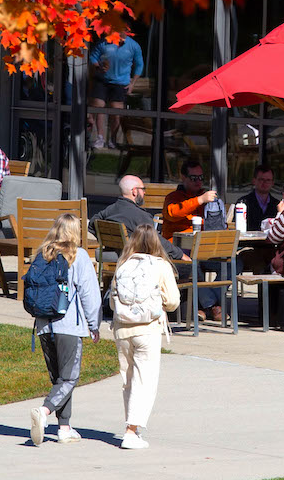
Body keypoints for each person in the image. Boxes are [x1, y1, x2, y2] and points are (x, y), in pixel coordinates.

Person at [28, 213, 102, 448]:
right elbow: (90, 294)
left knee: (59, 379)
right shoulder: (78, 256)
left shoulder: (42, 255)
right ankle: (44, 411)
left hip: (43, 326)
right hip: (68, 326)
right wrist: (94, 324)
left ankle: (64, 428)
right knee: (69, 378)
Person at [108, 225, 179, 450]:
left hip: (122, 329)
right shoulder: (161, 266)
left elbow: (112, 301)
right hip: (148, 329)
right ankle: (131, 431)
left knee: (128, 379)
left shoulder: (123, 265)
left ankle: (132, 427)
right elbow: (174, 301)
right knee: (144, 379)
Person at [162, 159, 231, 320]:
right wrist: (200, 200)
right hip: (179, 252)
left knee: (232, 264)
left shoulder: (206, 197)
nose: (198, 182)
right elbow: (172, 213)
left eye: (201, 178)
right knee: (194, 265)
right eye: (193, 178)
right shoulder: (173, 198)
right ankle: (213, 306)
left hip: (205, 249)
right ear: (183, 178)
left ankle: (206, 303)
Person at [90, 32, 145, 150]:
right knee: (99, 107)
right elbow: (93, 56)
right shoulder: (105, 42)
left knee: (116, 112)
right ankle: (100, 138)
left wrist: (132, 83)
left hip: (120, 83)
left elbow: (140, 65)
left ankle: (113, 139)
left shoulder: (133, 46)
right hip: (103, 80)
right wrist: (98, 66)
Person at [91, 175, 158, 233]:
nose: (144, 192)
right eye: (142, 189)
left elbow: (92, 223)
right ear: (134, 191)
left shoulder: (109, 210)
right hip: (134, 247)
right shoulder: (142, 217)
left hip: (113, 247)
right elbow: (155, 242)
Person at [237, 165, 280, 230]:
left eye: (268, 180)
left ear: (272, 183)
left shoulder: (277, 205)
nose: (264, 183)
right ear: (254, 181)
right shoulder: (243, 202)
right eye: (261, 180)